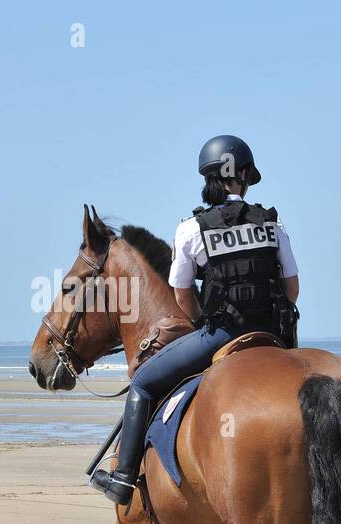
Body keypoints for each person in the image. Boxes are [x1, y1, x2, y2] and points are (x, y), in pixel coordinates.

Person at [90, 134, 300, 504]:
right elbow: (292, 289)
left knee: (141, 383)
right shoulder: (273, 224)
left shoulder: (191, 229)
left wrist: (200, 322)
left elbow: (181, 292)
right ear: (246, 176)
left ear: (207, 178)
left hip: (221, 334)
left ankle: (123, 478)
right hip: (273, 336)